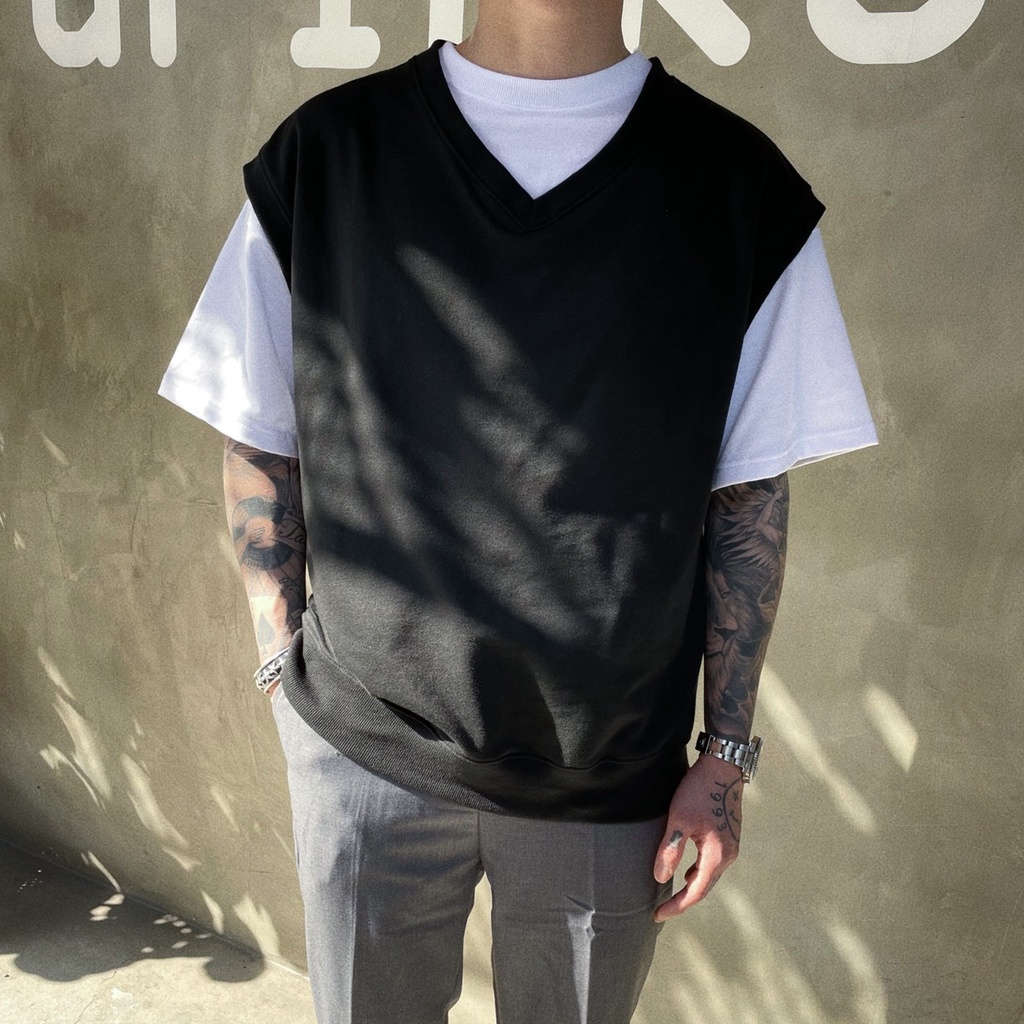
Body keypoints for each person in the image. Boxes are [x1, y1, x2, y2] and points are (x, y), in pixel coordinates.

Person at [159, 1, 877, 1020]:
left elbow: (749, 498)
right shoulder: (327, 156)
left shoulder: (737, 188)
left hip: (610, 779)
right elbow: (256, 424)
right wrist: (282, 661)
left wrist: (723, 757)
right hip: (362, 749)